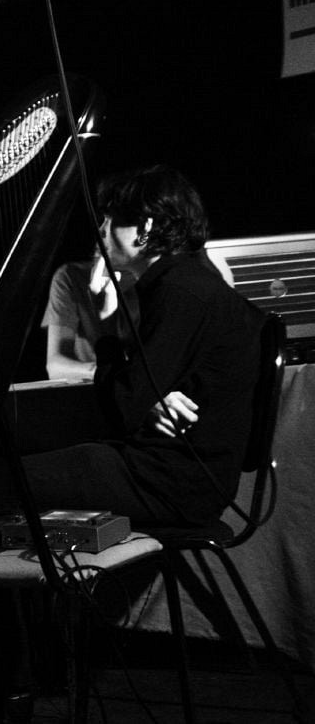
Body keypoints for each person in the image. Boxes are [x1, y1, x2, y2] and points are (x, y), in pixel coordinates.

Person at [23, 165, 261, 528]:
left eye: (110, 220)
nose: (101, 231)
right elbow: (139, 390)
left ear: (146, 226)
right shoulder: (185, 282)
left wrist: (111, 346)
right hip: (167, 473)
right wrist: (138, 383)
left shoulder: (180, 292)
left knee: (1, 476)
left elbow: (123, 407)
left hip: (169, 484)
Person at [42, 252, 139, 381]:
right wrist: (105, 372)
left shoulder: (160, 280)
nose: (103, 234)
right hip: (97, 388)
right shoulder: (72, 275)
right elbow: (55, 368)